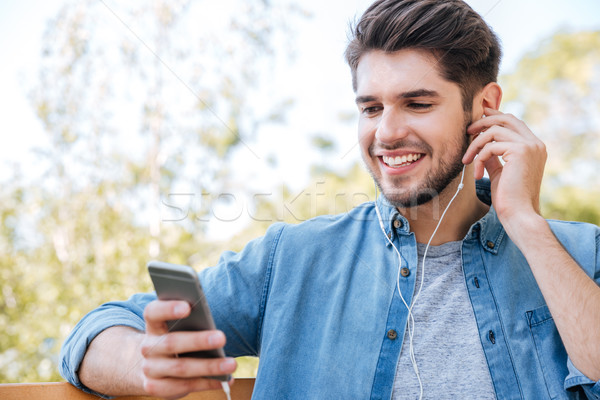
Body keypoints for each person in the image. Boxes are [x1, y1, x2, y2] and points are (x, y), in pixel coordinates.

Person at [60, 0, 600, 399]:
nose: (387, 133)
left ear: (484, 108)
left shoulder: (578, 255)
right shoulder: (291, 259)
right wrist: (145, 364)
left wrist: (524, 223)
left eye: (416, 103)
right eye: (370, 108)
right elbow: (98, 328)